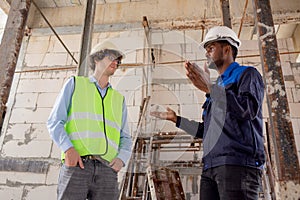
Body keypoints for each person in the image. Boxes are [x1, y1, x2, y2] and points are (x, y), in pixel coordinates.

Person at [151, 26, 265, 200]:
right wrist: (176, 119)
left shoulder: (247, 74)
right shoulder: (217, 87)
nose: (206, 53)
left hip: (238, 164)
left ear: (227, 49)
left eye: (211, 48)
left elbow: (247, 109)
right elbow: (207, 131)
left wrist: (211, 89)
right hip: (211, 166)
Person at [47, 40, 132, 200]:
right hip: (77, 164)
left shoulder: (118, 99)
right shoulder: (75, 84)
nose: (116, 62)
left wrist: (121, 159)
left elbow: (126, 137)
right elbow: (54, 121)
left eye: (118, 60)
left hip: (107, 170)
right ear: (96, 59)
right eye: (111, 57)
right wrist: (68, 149)